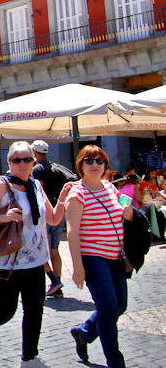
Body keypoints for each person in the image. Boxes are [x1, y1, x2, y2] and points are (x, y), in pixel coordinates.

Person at [0, 141, 68, 367]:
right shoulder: (2, 185)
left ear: (34, 161)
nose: (22, 164)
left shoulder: (36, 186)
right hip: (4, 262)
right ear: (9, 162)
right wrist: (3, 217)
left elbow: (52, 219)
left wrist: (62, 199)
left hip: (35, 261)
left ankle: (29, 358)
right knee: (5, 311)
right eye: (16, 160)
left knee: (34, 310)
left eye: (26, 159)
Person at [66, 145, 135, 368]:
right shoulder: (78, 194)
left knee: (119, 306)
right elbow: (72, 231)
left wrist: (129, 207)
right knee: (107, 309)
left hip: (116, 255)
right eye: (89, 161)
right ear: (81, 166)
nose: (95, 165)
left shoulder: (109, 187)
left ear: (105, 165)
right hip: (93, 258)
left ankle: (84, 332)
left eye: (99, 161)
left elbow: (124, 205)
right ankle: (115, 361)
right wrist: (78, 267)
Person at [31, 140, 69, 298]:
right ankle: (57, 284)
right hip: (58, 212)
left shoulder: (37, 169)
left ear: (34, 153)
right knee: (54, 250)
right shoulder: (55, 168)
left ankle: (54, 280)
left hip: (44, 214)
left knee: (39, 250)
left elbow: (37, 192)